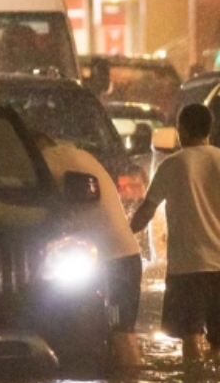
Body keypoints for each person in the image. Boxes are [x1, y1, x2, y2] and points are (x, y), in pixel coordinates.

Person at [130, 104, 220, 362]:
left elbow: (147, 210)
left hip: (188, 266)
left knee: (190, 337)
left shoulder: (173, 164)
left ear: (182, 129)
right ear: (210, 129)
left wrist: (123, 233)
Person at [36, 133, 145, 368]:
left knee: (119, 332)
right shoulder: (80, 155)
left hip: (112, 262)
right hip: (124, 257)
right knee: (121, 331)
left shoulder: (46, 161)